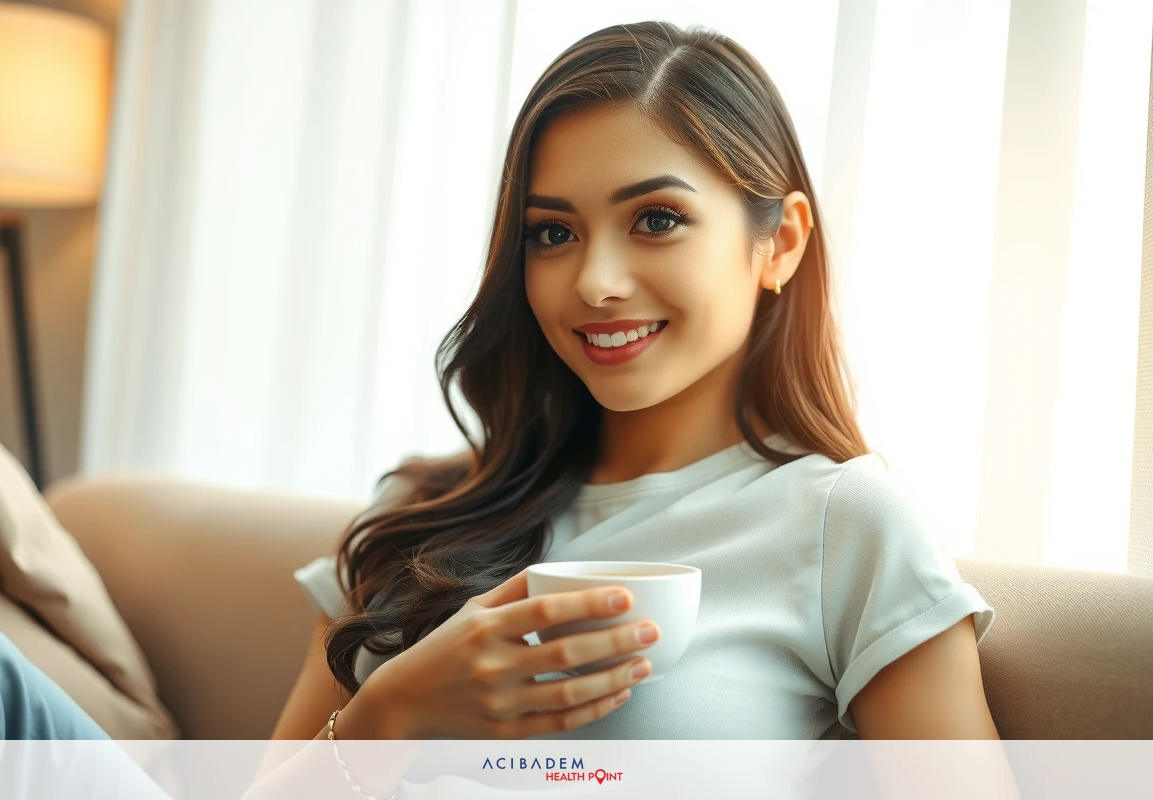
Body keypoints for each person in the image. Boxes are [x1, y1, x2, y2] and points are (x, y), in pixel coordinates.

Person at [275, 18, 998, 755]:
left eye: (657, 219)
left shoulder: (845, 528)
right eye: (553, 233)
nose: (595, 283)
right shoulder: (415, 512)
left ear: (779, 243)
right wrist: (388, 713)